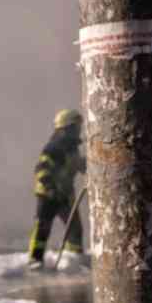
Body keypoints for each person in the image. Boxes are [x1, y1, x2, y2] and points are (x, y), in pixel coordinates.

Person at [27, 109, 86, 270]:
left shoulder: (72, 148)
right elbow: (41, 170)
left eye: (78, 127)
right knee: (43, 227)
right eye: (75, 127)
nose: (78, 130)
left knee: (74, 228)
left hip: (65, 194)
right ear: (65, 129)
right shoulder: (53, 148)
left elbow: (76, 165)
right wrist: (51, 190)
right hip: (48, 194)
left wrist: (89, 166)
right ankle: (35, 260)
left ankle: (73, 259)